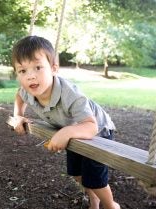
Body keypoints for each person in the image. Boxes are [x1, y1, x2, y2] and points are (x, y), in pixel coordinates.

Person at [11, 35, 120, 209]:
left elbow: (91, 126)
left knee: (95, 179)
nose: (30, 76)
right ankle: (94, 200)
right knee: (77, 174)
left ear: (54, 68)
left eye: (38, 67)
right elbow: (19, 96)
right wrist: (18, 115)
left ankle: (111, 205)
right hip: (72, 130)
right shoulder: (28, 91)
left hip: (98, 130)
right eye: (22, 71)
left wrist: (66, 132)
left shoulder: (70, 94)